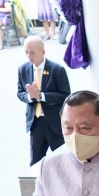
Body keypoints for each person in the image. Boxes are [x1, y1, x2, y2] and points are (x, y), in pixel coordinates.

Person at [17, 36, 71, 166]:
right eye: (26, 52)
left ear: (43, 52)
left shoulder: (57, 70)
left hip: (55, 123)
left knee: (63, 162)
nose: (28, 56)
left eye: (32, 52)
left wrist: (41, 96)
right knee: (35, 162)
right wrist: (31, 96)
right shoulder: (23, 69)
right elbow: (20, 93)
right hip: (36, 123)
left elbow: (66, 96)